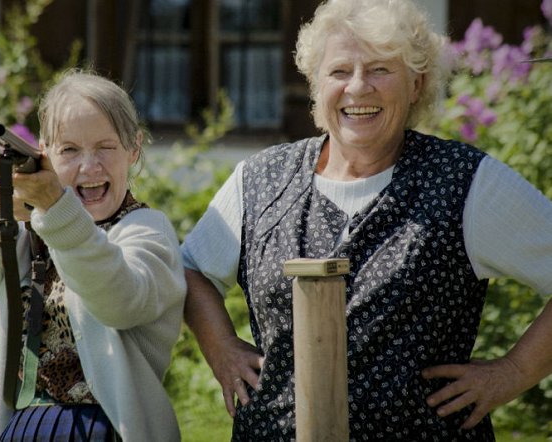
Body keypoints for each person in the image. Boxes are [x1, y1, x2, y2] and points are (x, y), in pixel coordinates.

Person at [181, 0, 552, 440]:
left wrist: (511, 372)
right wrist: (221, 348)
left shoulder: (466, 182)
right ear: (317, 85)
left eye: (380, 70)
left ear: (416, 85)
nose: (358, 88)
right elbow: (191, 269)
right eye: (339, 71)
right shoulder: (261, 179)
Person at [0, 70, 186, 441]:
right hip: (25, 428)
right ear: (46, 153)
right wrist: (1, 202)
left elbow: (117, 300)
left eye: (105, 147)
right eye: (69, 150)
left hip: (108, 431)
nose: (89, 167)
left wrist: (57, 211)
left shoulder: (146, 230)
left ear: (133, 148)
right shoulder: (32, 236)